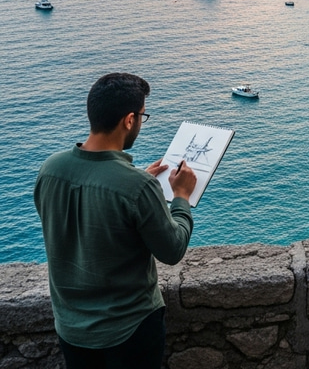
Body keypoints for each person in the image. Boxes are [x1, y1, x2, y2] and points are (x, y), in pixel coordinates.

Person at [34, 72, 197, 369]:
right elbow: (172, 250)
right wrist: (182, 197)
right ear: (129, 120)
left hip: (71, 328)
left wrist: (136, 187)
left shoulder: (50, 170)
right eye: (143, 116)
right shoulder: (136, 188)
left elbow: (82, 214)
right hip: (129, 329)